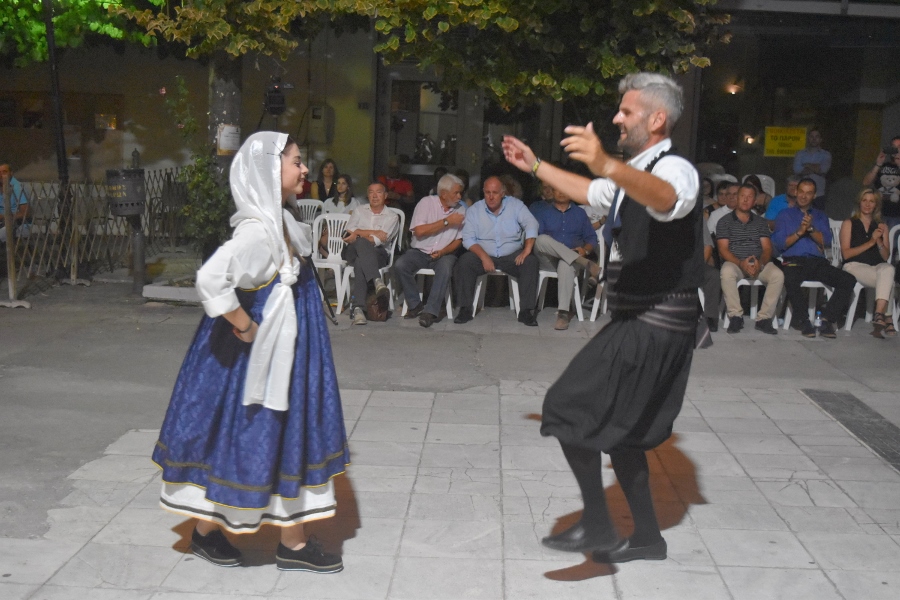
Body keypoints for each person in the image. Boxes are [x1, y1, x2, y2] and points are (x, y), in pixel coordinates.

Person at [502, 72, 703, 563]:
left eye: (626, 111)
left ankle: (597, 524)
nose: (616, 116)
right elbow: (593, 191)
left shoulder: (675, 169)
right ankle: (649, 540)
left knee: (568, 407)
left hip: (657, 318)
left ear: (657, 119)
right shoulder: (634, 170)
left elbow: (667, 199)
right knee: (625, 435)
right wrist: (537, 165)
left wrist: (608, 163)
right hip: (642, 317)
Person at [152, 132, 349, 573]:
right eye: (296, 162)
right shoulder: (258, 232)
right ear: (267, 170)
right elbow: (210, 279)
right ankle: (290, 544)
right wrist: (244, 325)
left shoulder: (277, 219)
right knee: (267, 435)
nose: (303, 170)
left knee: (261, 436)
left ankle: (211, 533)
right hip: (261, 355)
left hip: (285, 349)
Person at [773, 178, 856, 338]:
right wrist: (800, 231)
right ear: (796, 192)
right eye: (801, 192)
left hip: (817, 262)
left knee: (848, 280)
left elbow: (826, 241)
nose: (804, 196)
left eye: (808, 193)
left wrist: (810, 229)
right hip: (794, 261)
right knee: (789, 279)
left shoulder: (820, 216)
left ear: (814, 195)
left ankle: (826, 318)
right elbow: (781, 244)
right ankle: (803, 320)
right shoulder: (785, 215)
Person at [453, 176, 540, 326]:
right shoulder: (475, 210)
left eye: (495, 192)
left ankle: (526, 311)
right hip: (483, 253)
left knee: (530, 262)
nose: (491, 197)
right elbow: (467, 238)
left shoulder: (515, 205)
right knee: (465, 261)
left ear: (503, 193)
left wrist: (527, 250)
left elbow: (531, 223)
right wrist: (484, 256)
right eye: (487, 192)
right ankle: (465, 309)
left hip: (511, 254)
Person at [395, 173, 466, 328]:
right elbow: (419, 231)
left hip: (444, 253)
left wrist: (442, 252)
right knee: (401, 264)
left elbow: (458, 240)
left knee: (446, 267)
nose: (459, 196)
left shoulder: (461, 210)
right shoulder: (426, 203)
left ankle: (430, 311)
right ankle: (415, 304)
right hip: (420, 251)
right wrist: (447, 222)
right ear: (444, 194)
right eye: (456, 193)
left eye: (460, 192)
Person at [717, 183, 784, 335]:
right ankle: (735, 316)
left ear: (755, 201)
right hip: (736, 263)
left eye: (750, 197)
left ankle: (764, 319)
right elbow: (723, 250)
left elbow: (767, 248)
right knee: (726, 271)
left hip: (758, 263)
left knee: (777, 275)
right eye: (742, 196)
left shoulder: (760, 222)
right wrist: (741, 263)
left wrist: (760, 263)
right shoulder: (724, 221)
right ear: (736, 198)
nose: (746, 200)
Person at [532, 186, 601, 330]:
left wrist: (585, 250)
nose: (562, 192)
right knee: (541, 239)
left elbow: (592, 238)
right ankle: (584, 263)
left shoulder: (580, 214)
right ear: (553, 192)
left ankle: (563, 314)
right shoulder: (544, 213)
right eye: (557, 189)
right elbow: (536, 239)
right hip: (549, 259)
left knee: (566, 263)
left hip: (570, 260)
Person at [839, 188, 896, 337]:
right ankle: (887, 317)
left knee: (888, 269)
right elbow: (846, 254)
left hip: (876, 267)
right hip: (854, 266)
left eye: (871, 201)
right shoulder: (849, 223)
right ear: (859, 202)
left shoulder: (881, 226)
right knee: (887, 279)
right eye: (864, 200)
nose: (867, 204)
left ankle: (878, 314)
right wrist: (871, 241)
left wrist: (878, 239)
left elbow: (885, 256)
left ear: (876, 205)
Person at [342, 181, 400, 325]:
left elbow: (380, 240)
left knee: (361, 260)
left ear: (385, 195)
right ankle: (376, 280)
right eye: (371, 192)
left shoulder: (392, 216)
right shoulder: (359, 210)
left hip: (378, 253)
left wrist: (359, 234)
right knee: (361, 244)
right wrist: (373, 232)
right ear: (367, 195)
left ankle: (358, 310)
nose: (374, 196)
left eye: (378, 192)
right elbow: (349, 233)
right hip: (352, 250)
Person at [793, 128, 831, 209]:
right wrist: (816, 167)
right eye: (811, 136)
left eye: (816, 137)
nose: (814, 139)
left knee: (817, 218)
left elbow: (823, 170)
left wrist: (806, 164)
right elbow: (797, 170)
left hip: (819, 194)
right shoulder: (800, 154)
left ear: (820, 139)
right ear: (808, 138)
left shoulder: (826, 155)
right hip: (802, 194)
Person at [0, 162, 30, 244]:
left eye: (4, 172)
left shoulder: (18, 188)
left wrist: (4, 217)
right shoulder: (1, 187)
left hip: (18, 225)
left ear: (11, 173)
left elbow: (25, 213)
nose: (1, 175)